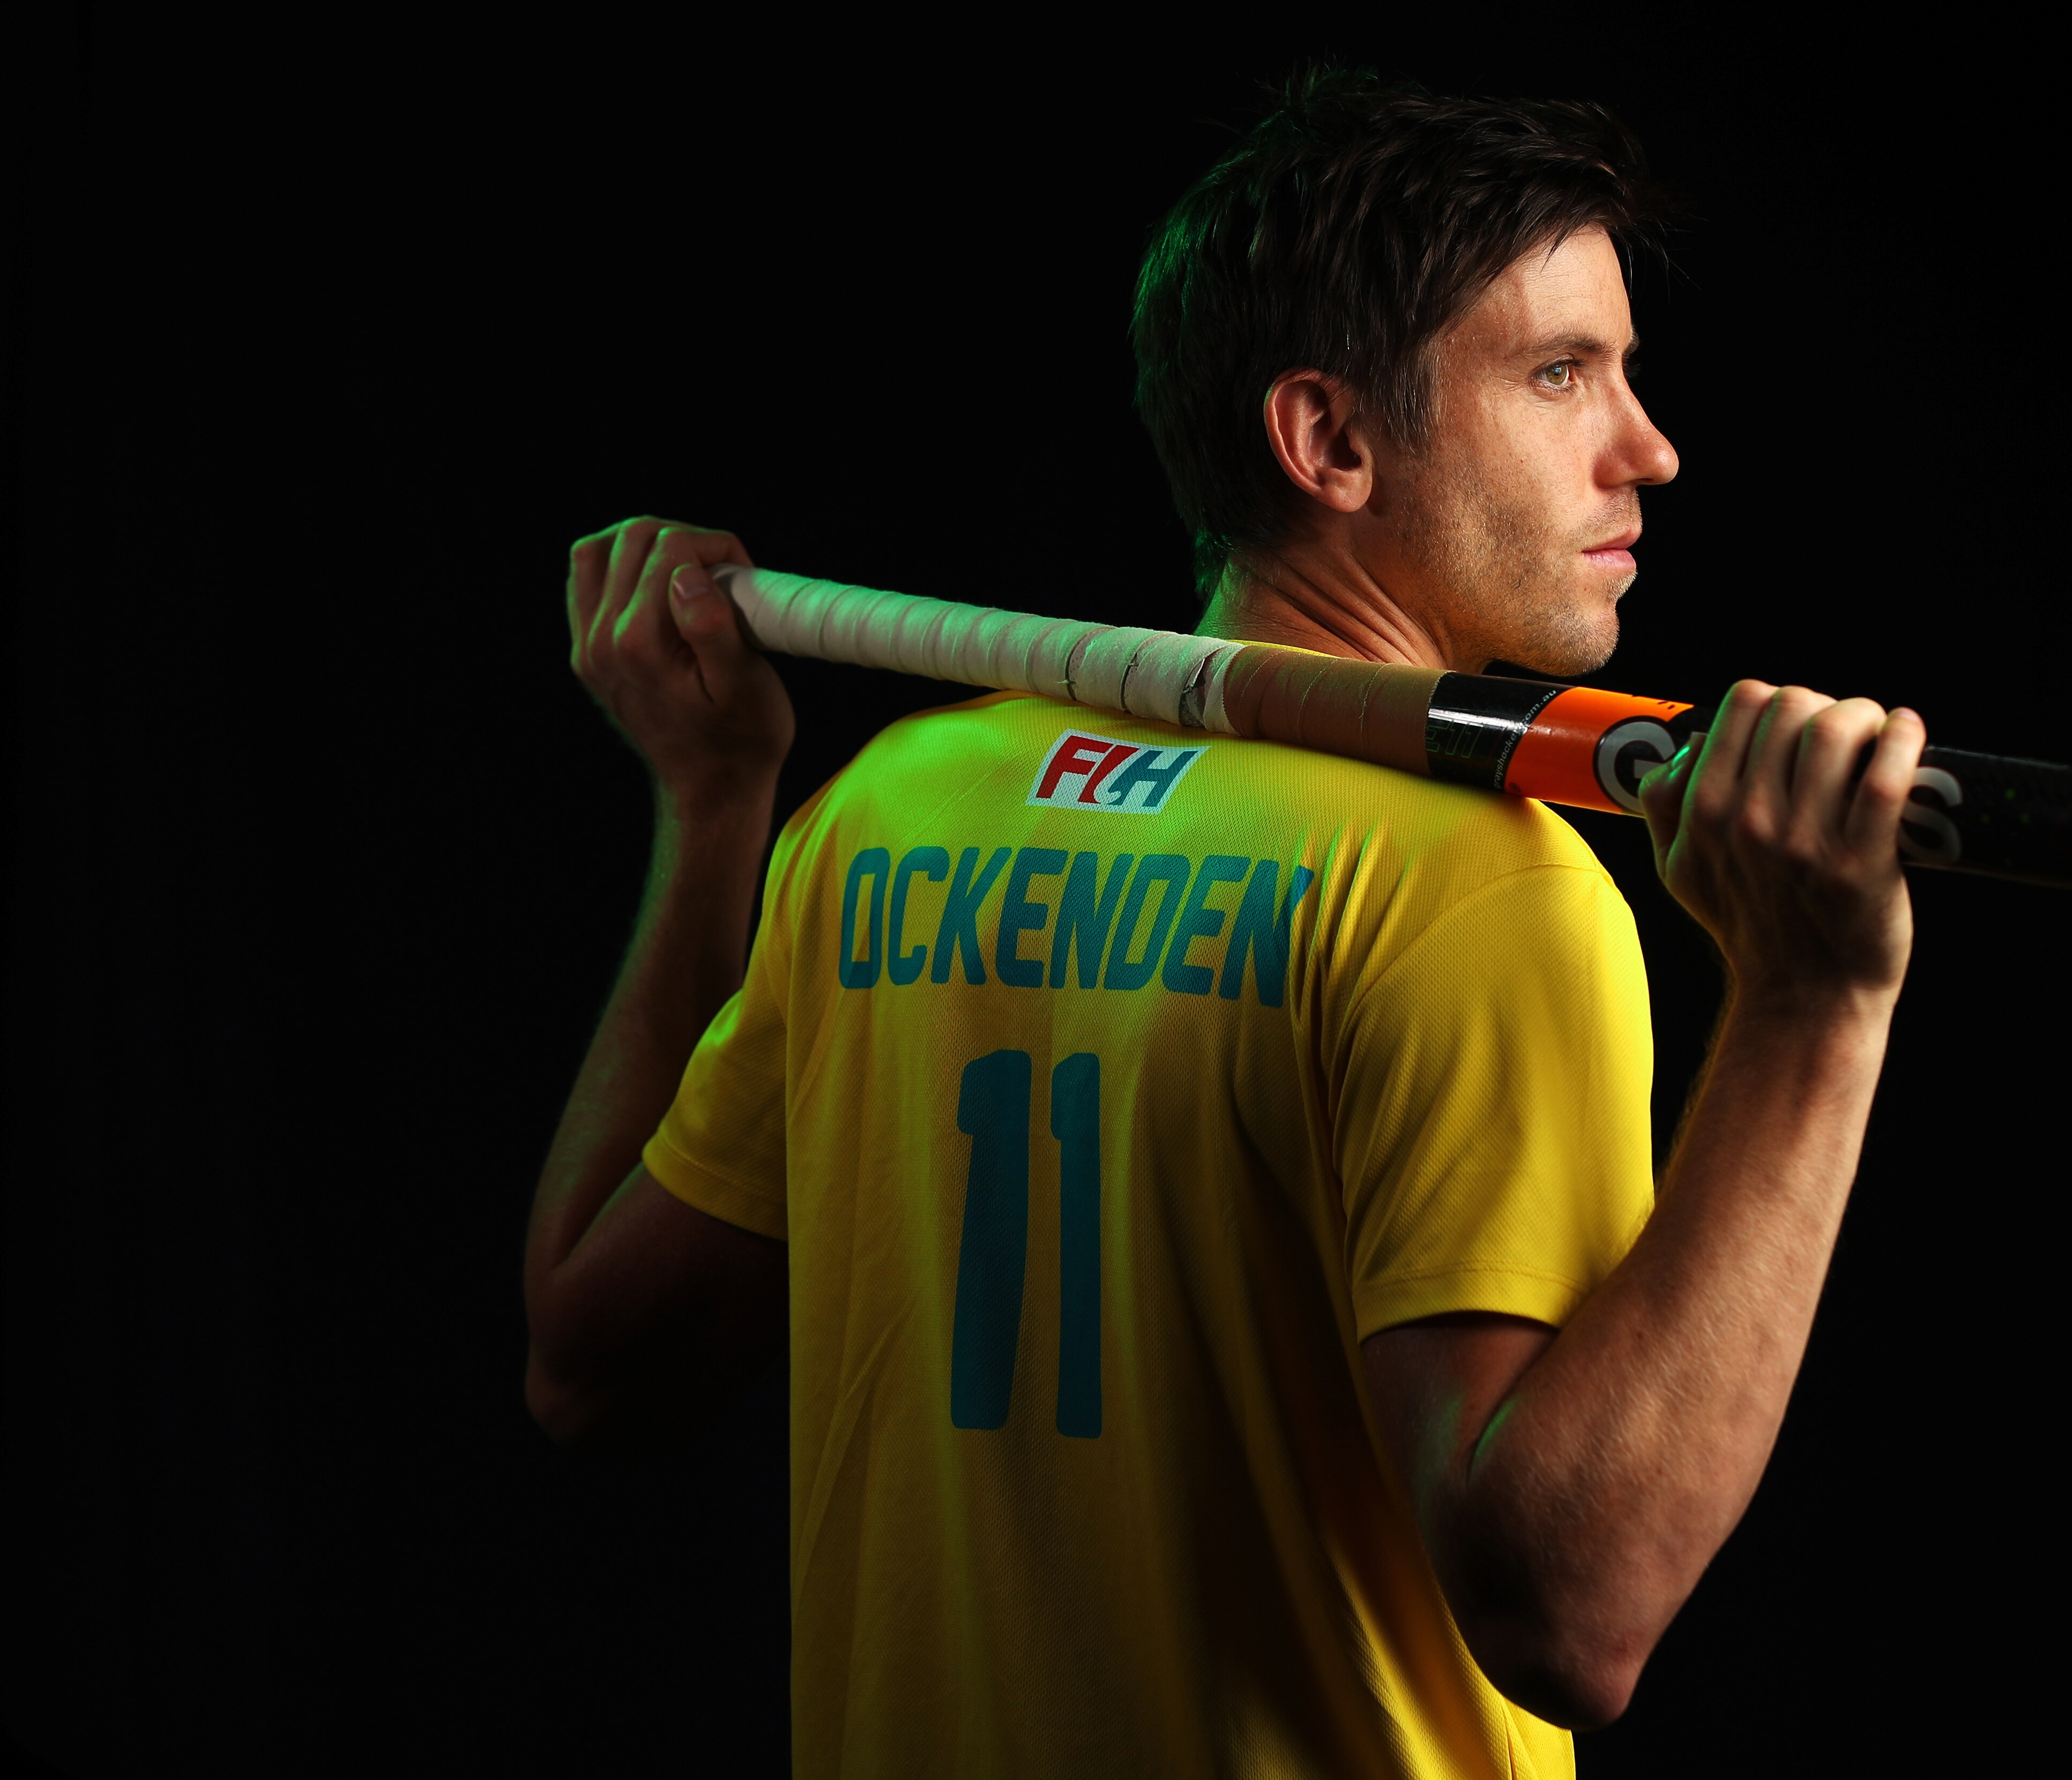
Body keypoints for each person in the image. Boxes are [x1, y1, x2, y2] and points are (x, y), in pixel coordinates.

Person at [523, 71, 1927, 1778]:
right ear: (1329, 440)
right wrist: (1811, 1007)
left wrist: (713, 802)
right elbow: (1570, 1612)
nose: (1649, 445)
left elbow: (588, 1365)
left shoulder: (890, 813)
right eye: (1561, 373)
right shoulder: (1476, 889)